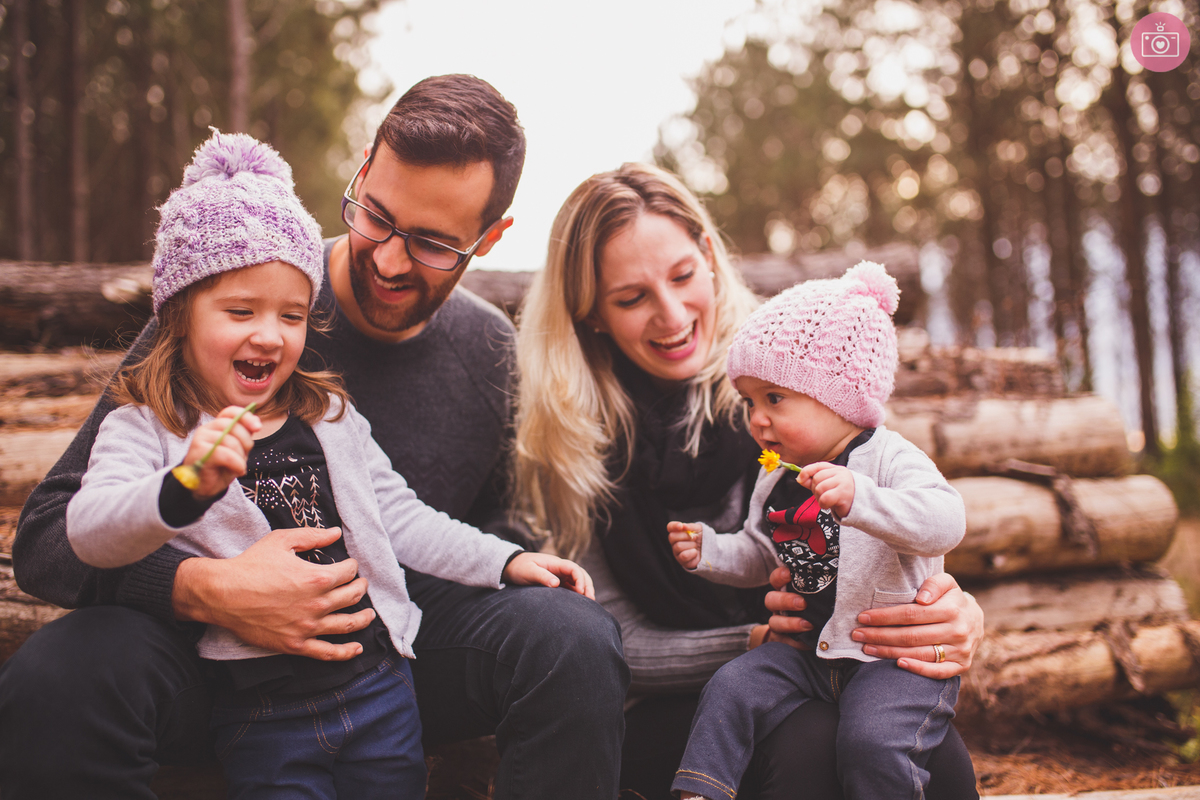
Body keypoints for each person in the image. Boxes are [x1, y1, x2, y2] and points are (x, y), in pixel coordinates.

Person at [0, 75, 628, 800]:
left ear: (489, 238)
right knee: (60, 674)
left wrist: (507, 557)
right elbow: (49, 539)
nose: (388, 260)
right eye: (376, 217)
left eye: (432, 243)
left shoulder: (488, 354)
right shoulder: (239, 285)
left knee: (575, 640)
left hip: (386, 664)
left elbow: (471, 527)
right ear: (363, 167)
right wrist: (207, 589)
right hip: (212, 664)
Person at [512, 163, 984, 800]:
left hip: (831, 658)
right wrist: (750, 639)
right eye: (631, 298)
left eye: (683, 276)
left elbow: (899, 515)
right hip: (675, 700)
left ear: (710, 257)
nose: (671, 314)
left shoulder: (797, 372)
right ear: (590, 313)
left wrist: (955, 615)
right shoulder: (575, 438)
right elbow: (610, 637)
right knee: (807, 746)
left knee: (933, 759)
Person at [668, 261, 965, 800]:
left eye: (774, 398)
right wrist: (710, 551)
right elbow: (762, 553)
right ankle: (701, 792)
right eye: (749, 402)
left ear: (838, 395)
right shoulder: (775, 475)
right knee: (732, 686)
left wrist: (862, 499)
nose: (757, 419)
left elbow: (945, 521)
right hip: (809, 653)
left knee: (872, 743)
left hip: (890, 661)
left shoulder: (888, 458)